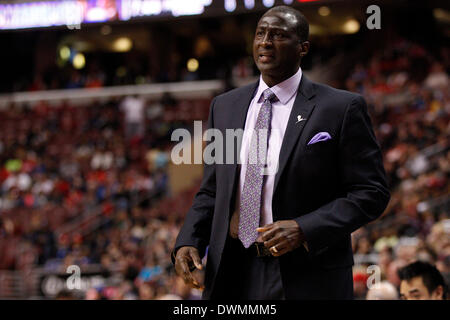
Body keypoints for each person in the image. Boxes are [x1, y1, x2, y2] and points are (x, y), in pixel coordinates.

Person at [172, 6, 390, 299]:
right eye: (260, 34)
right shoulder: (224, 106)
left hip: (307, 270)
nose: (265, 42)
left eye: (278, 35)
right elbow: (212, 190)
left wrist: (305, 228)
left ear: (303, 48)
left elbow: (371, 192)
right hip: (233, 267)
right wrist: (189, 239)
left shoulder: (340, 107)